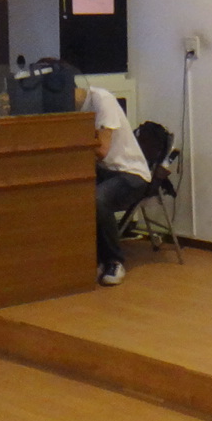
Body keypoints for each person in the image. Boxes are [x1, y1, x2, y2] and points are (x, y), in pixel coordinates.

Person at [75, 84, 151, 287]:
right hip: (104, 171)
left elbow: (102, 151)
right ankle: (90, 257)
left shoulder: (101, 99)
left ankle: (114, 261)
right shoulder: (72, 108)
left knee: (97, 199)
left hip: (130, 173)